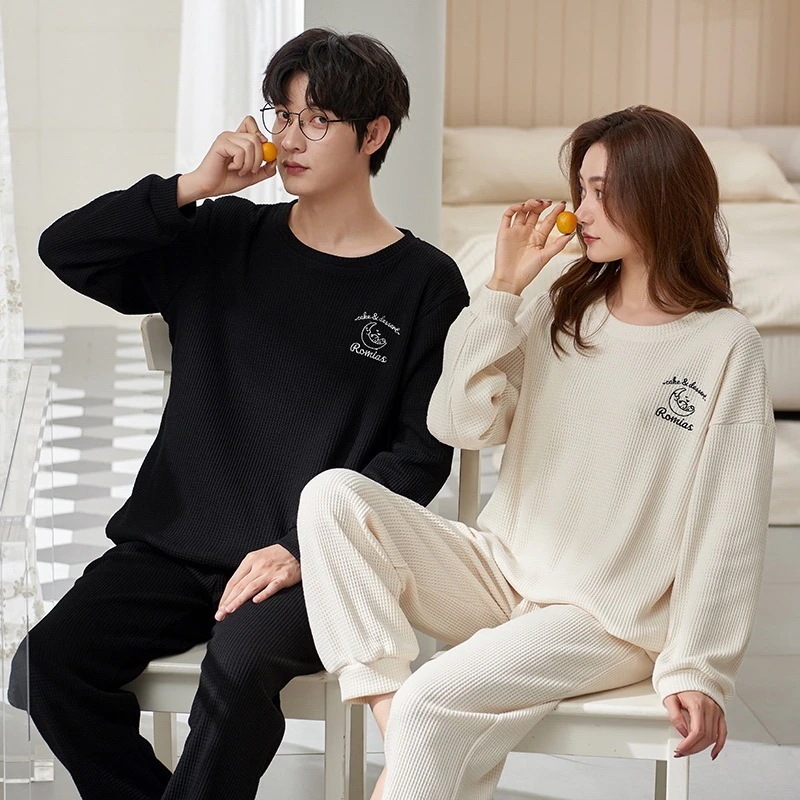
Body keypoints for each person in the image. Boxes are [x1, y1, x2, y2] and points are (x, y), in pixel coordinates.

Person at [9, 27, 468, 800]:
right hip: (171, 548)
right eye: (283, 114)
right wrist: (192, 187)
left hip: (309, 564)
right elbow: (67, 250)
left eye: (317, 119)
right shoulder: (221, 236)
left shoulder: (424, 283)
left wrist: (298, 548)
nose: (290, 137)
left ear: (374, 134)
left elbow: (419, 456)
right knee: (48, 665)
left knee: (240, 668)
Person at [296, 105, 776, 800]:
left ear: (662, 196)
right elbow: (459, 422)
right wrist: (503, 288)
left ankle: (413, 744)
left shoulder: (724, 344)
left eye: (603, 191)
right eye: (582, 188)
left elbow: (728, 526)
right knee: (333, 496)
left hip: (605, 617)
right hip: (504, 570)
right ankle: (398, 724)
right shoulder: (560, 305)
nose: (583, 209)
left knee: (435, 698)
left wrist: (700, 669)